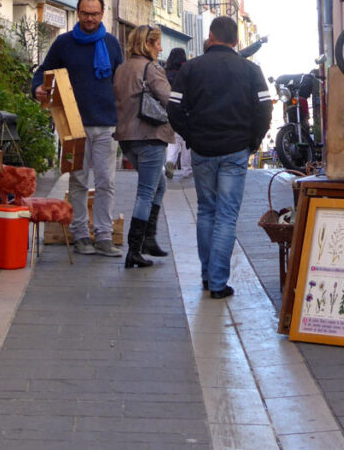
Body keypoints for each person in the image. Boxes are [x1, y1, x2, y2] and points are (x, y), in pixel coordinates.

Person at [167, 16, 271, 299]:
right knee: (226, 216)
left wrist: (191, 135)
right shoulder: (251, 70)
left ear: (210, 36)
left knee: (206, 212)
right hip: (236, 150)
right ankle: (217, 282)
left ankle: (206, 275)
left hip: (202, 149)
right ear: (237, 41)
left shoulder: (191, 69)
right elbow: (264, 110)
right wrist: (253, 141)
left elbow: (174, 108)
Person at [32, 0, 124, 257]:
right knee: (78, 181)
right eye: (85, 13)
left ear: (102, 13)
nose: (89, 18)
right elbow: (42, 72)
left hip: (106, 124)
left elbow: (120, 81)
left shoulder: (111, 44)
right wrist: (38, 87)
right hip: (73, 124)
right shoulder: (64, 43)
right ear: (78, 12)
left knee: (106, 181)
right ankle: (81, 234)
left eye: (94, 14)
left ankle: (105, 237)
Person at [113, 25, 175, 268]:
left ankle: (148, 239)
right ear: (147, 44)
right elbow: (169, 98)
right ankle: (134, 249)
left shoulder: (122, 68)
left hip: (127, 137)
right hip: (150, 134)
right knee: (146, 192)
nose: (160, 48)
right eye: (157, 43)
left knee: (159, 184)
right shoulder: (151, 68)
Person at [163, 48, 190, 179]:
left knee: (173, 140)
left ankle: (170, 162)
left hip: (169, 111)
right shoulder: (186, 72)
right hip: (185, 112)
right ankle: (186, 170)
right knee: (186, 143)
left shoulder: (165, 73)